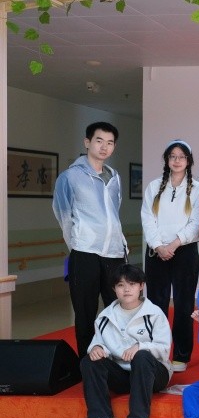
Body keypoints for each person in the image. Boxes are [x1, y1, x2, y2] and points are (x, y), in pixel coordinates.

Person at [53, 121, 128, 358]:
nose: (104, 147)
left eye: (110, 143)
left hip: (114, 254)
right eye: (99, 141)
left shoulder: (115, 177)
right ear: (87, 142)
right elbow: (63, 215)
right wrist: (78, 244)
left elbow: (114, 213)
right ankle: (86, 365)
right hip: (85, 253)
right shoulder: (69, 177)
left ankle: (116, 360)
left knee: (118, 310)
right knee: (85, 313)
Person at [81, 264, 171, 418]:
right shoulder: (105, 316)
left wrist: (140, 346)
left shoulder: (154, 313)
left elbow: (164, 348)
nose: (127, 289)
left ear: (141, 286)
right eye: (121, 285)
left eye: (132, 284)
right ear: (114, 289)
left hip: (153, 374)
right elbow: (98, 343)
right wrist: (97, 348)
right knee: (89, 361)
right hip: (123, 376)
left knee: (142, 356)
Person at [141, 139, 199, 372]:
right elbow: (147, 218)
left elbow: (196, 222)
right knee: (156, 304)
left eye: (181, 157)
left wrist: (175, 244)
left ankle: (180, 355)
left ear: (188, 161)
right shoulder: (153, 187)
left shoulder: (198, 189)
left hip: (185, 251)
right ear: (167, 160)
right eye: (172, 156)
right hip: (156, 252)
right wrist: (159, 246)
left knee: (183, 304)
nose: (177, 161)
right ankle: (156, 352)